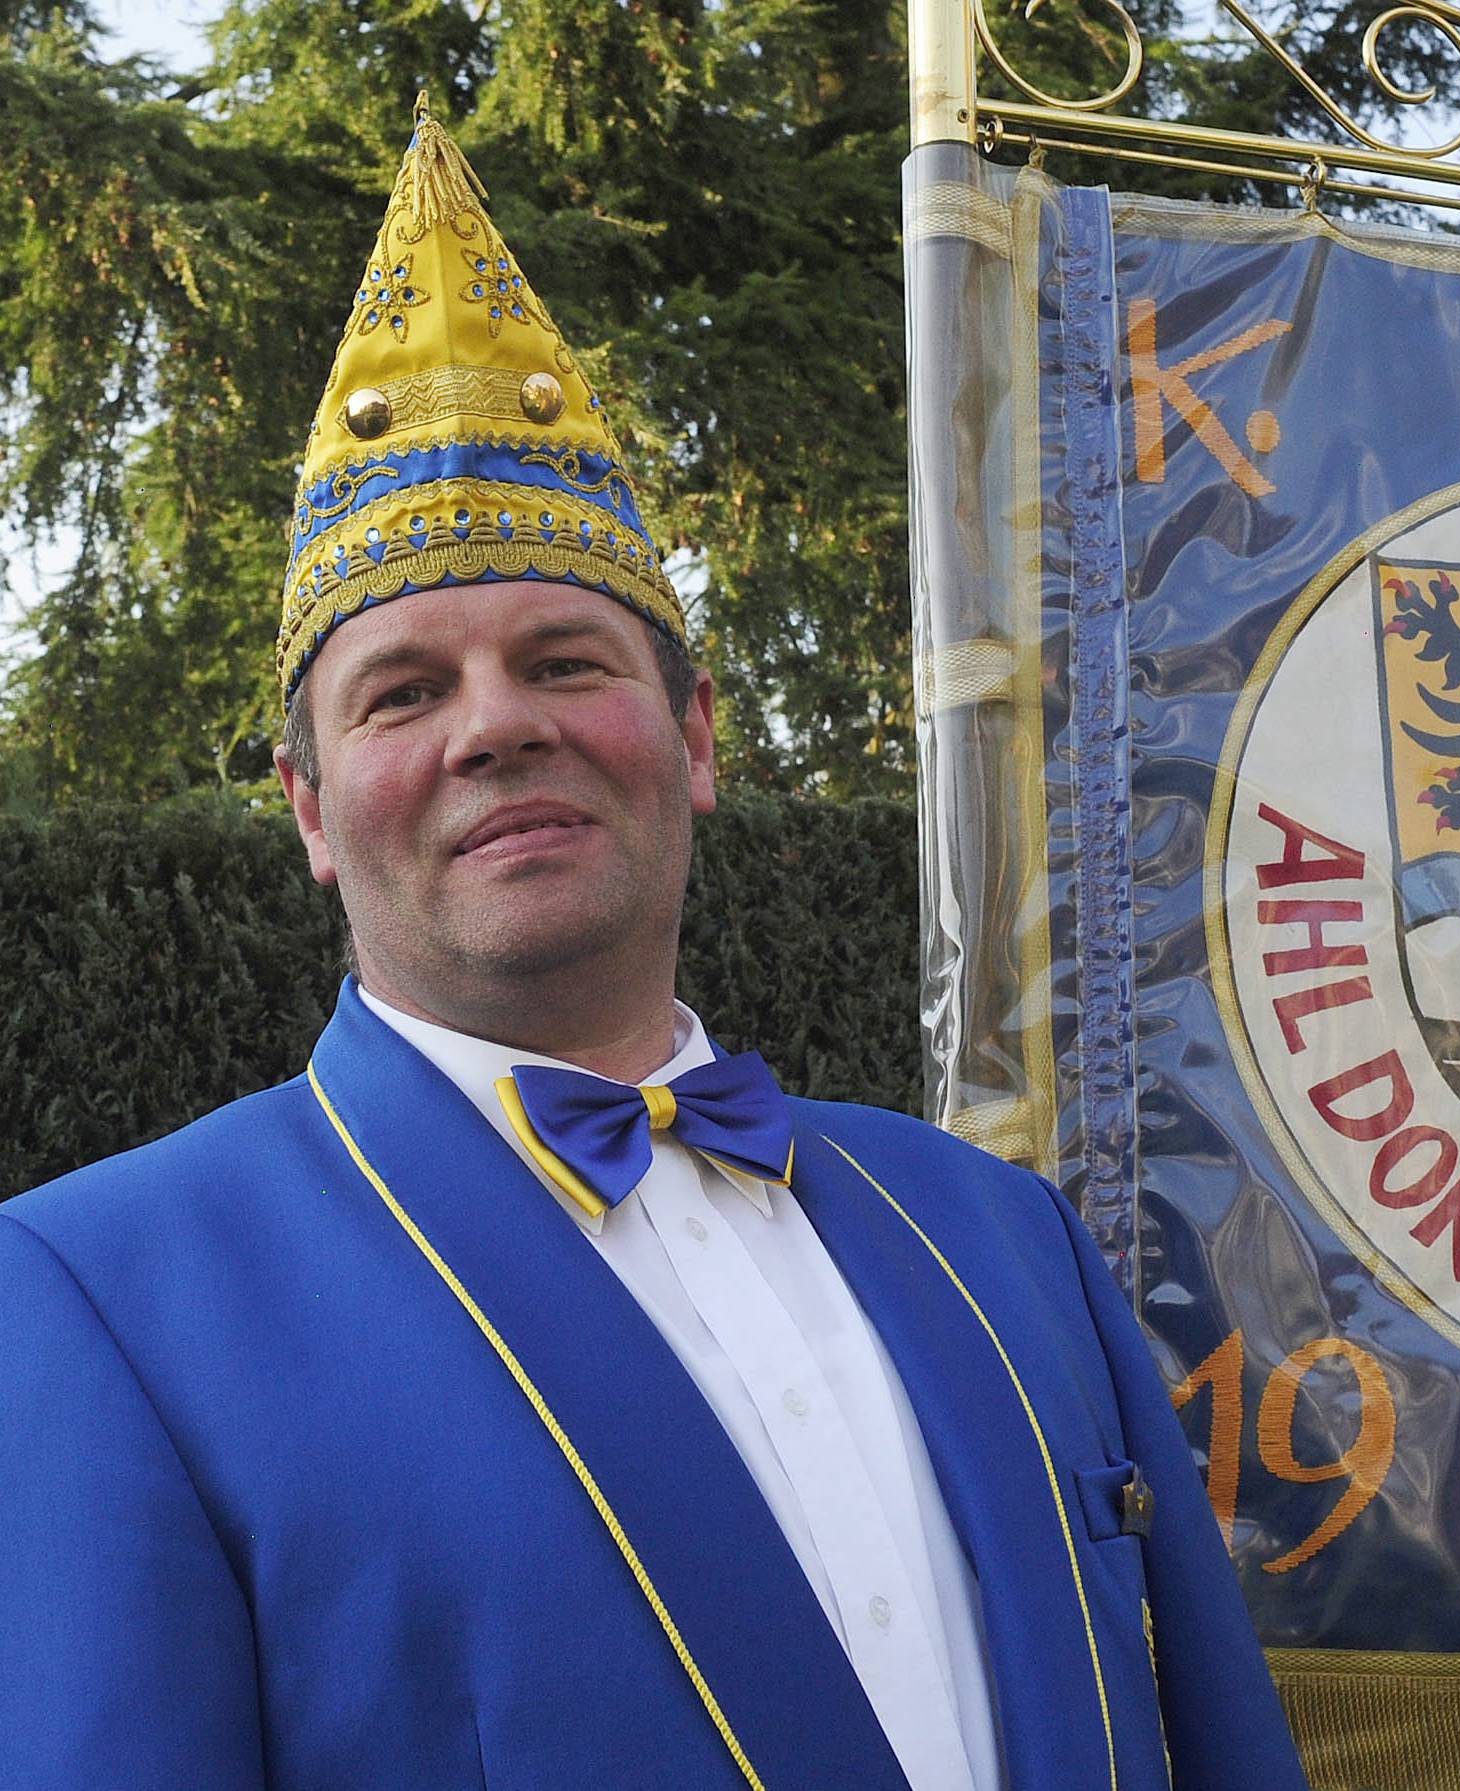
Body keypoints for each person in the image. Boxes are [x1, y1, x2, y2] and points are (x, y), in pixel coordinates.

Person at [0, 100, 1310, 1791]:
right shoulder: (104, 1298)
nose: (496, 730)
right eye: (403, 693)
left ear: (694, 741)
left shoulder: (999, 1235)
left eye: (564, 662)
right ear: (313, 814)